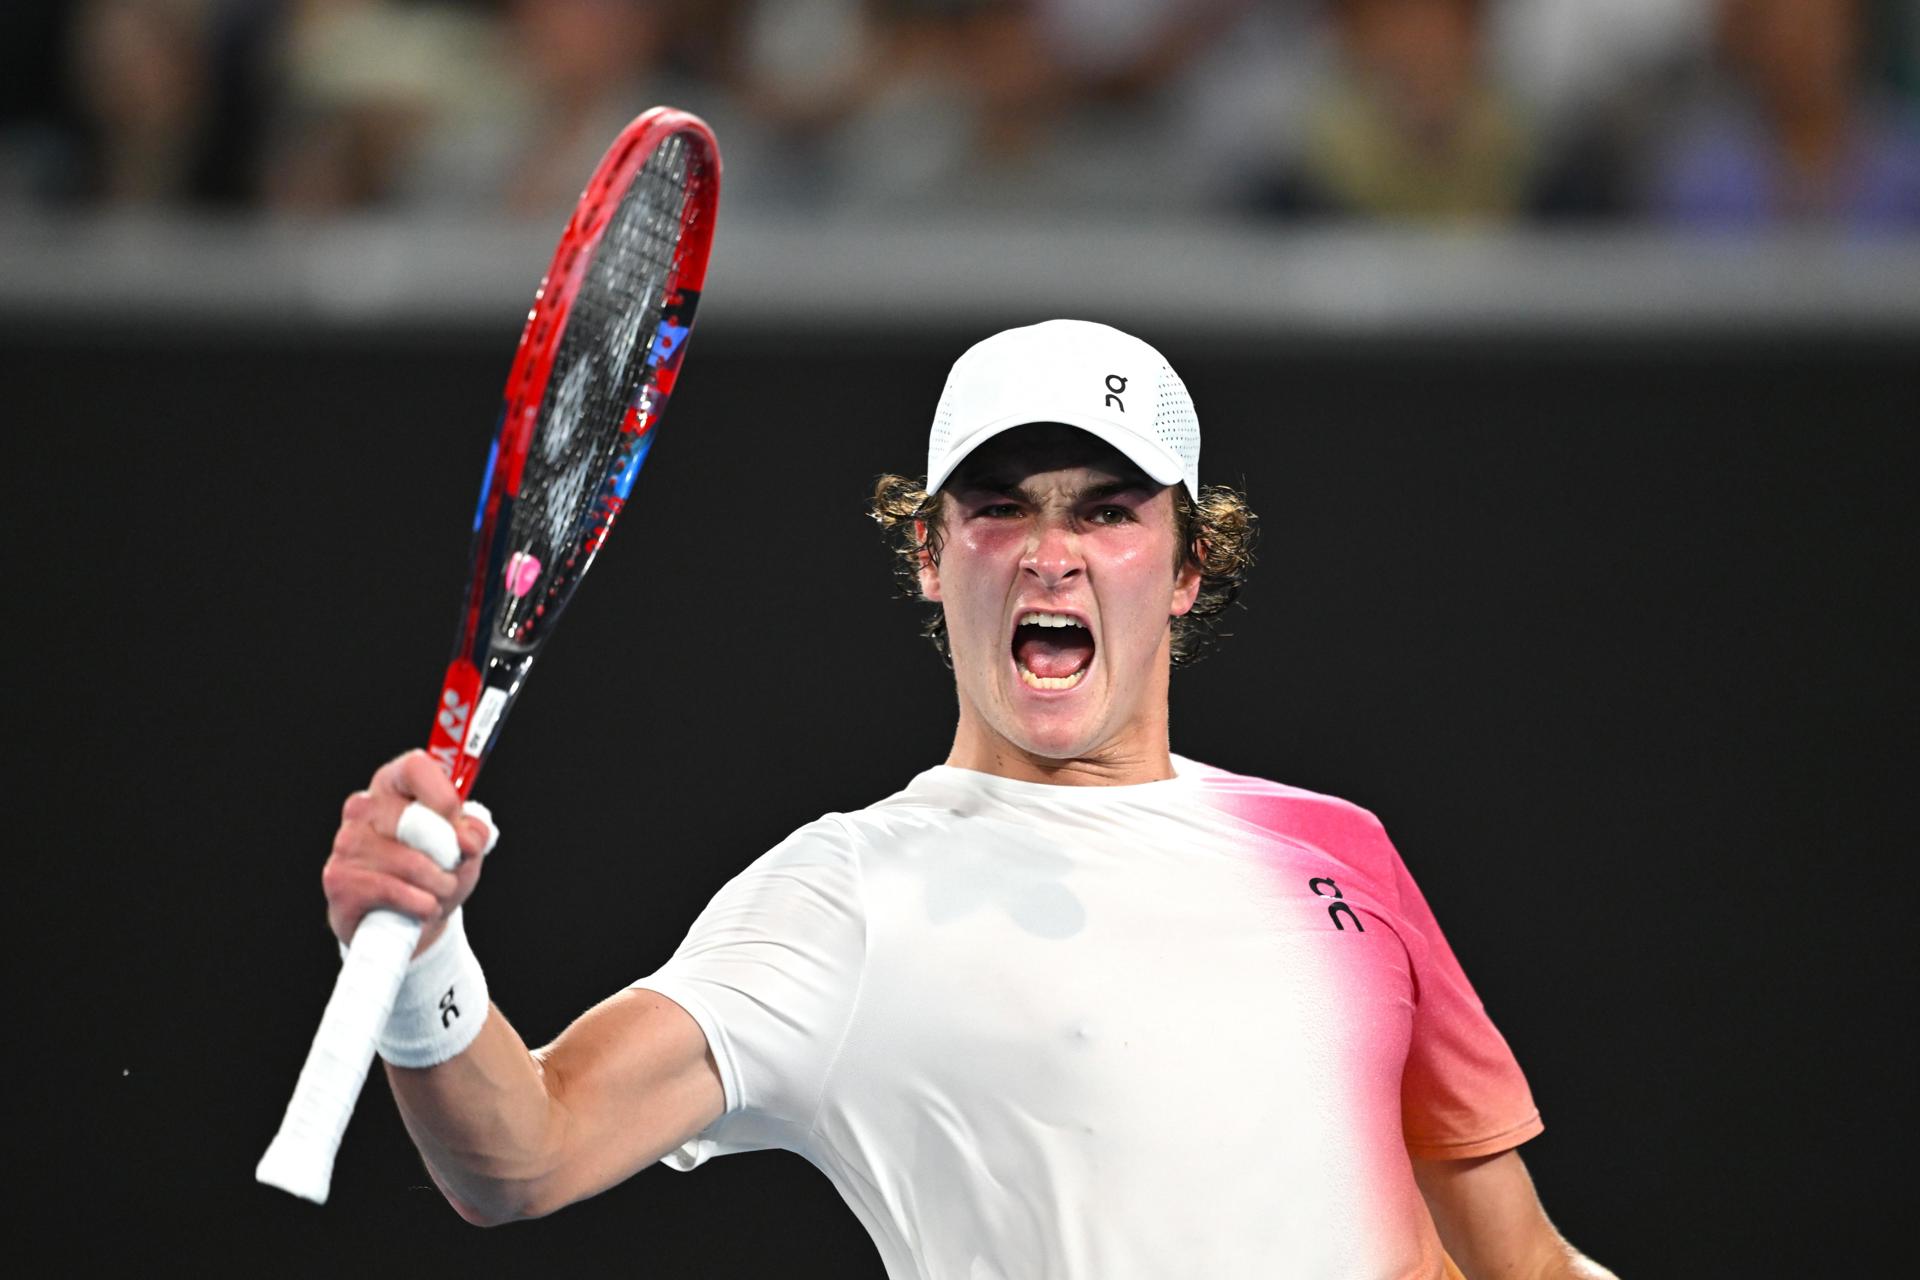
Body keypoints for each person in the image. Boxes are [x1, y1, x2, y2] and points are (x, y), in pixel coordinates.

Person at [323, 319, 1616, 1278]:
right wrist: (425, 957)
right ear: (933, 557)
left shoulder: (1340, 853)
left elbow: (1523, 1264)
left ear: (1186, 565)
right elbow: (525, 1154)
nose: (1052, 552)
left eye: (1107, 512)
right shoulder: (849, 897)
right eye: (999, 510)